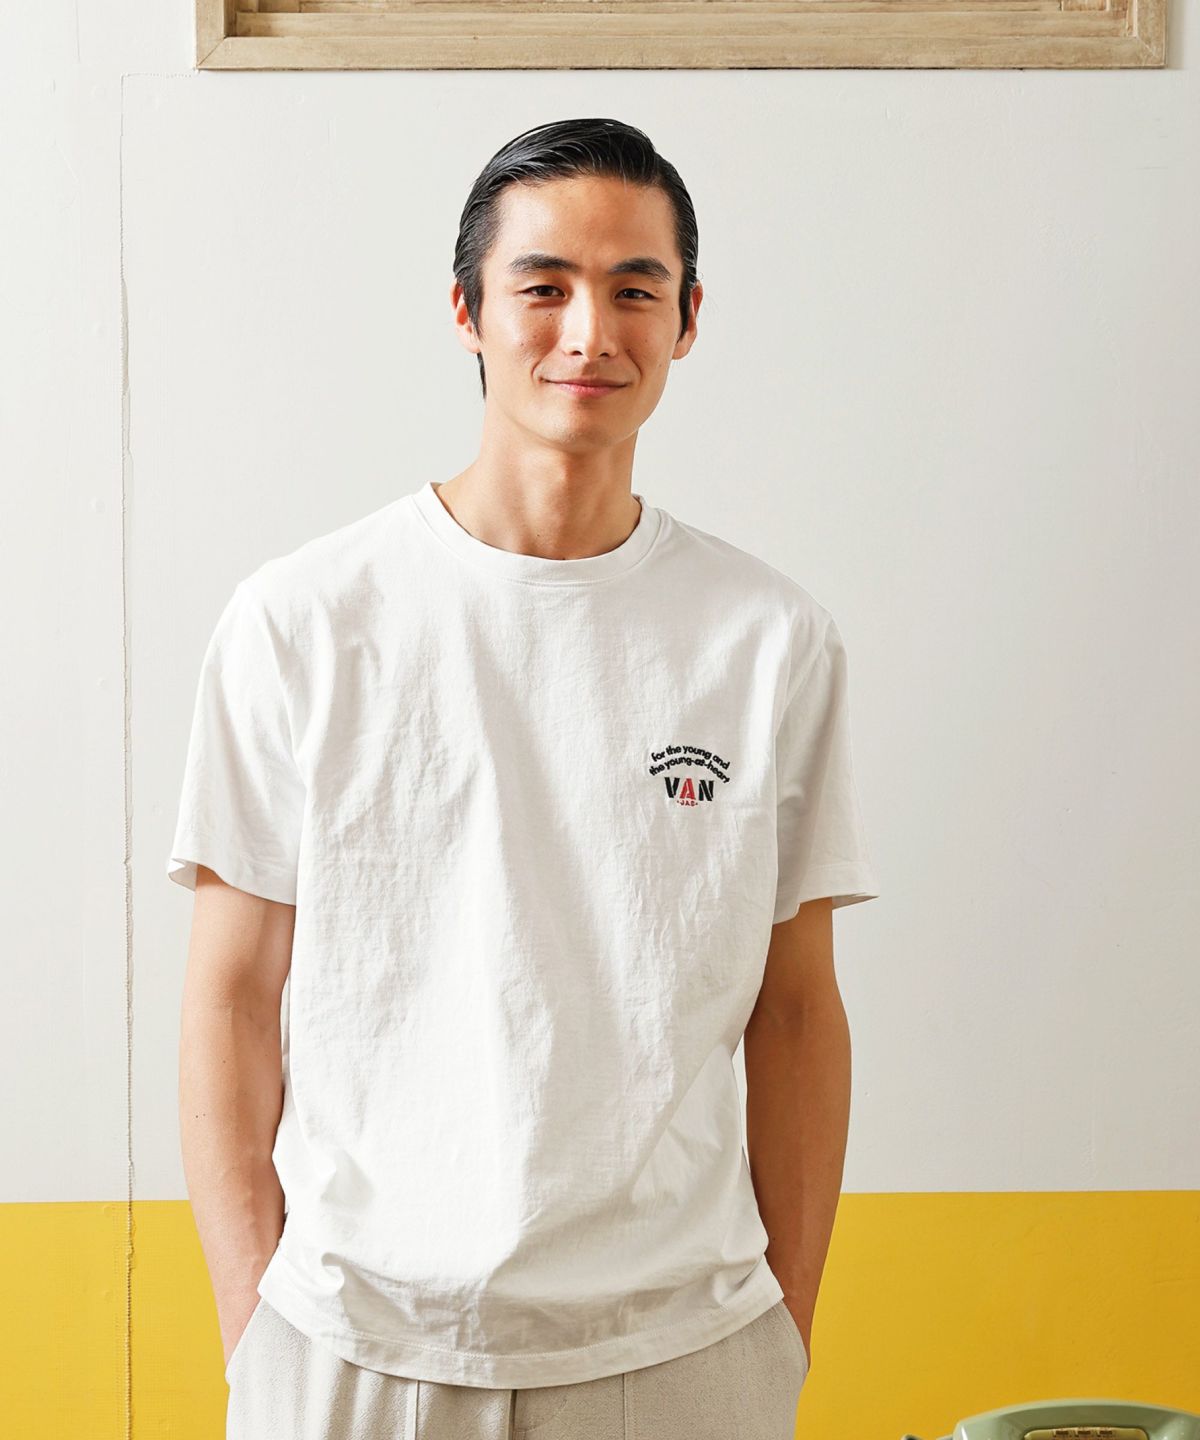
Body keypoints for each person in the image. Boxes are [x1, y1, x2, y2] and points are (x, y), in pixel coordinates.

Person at [170, 116, 880, 1440]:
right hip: (351, 1345)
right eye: (542, 286)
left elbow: (795, 1013)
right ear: (468, 313)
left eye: (635, 290)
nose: (588, 333)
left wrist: (785, 1330)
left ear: (688, 319)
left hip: (684, 1351)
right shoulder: (304, 621)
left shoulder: (771, 641)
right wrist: (251, 1328)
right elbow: (230, 997)